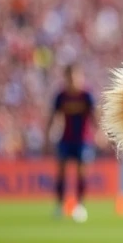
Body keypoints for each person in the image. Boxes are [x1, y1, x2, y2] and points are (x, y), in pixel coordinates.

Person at [45, 65, 96, 221]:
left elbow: (95, 115)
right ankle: (60, 205)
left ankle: (80, 206)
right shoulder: (61, 96)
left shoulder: (86, 95)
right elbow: (53, 117)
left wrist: (100, 133)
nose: (72, 81)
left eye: (75, 77)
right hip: (66, 139)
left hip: (83, 140)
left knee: (81, 172)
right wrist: (47, 135)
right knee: (61, 171)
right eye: (69, 77)